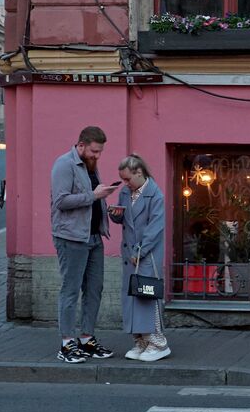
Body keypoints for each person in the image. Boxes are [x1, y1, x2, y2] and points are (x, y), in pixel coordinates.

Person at [51, 126, 123, 364]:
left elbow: (92, 197)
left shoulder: (90, 165)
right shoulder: (64, 164)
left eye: (100, 152)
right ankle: (67, 343)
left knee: (94, 289)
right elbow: (61, 201)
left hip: (93, 237)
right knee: (70, 290)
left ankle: (86, 338)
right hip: (71, 238)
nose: (97, 156)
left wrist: (105, 207)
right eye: (94, 151)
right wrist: (95, 196)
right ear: (81, 145)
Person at [111, 154, 170, 362]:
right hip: (131, 256)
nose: (125, 184)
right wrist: (115, 214)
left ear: (139, 172)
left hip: (146, 257)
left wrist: (140, 251)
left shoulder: (155, 196)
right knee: (132, 298)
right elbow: (123, 219)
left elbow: (155, 228)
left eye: (127, 179)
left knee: (146, 296)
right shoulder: (126, 193)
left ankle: (158, 342)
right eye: (123, 179)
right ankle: (140, 342)